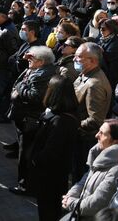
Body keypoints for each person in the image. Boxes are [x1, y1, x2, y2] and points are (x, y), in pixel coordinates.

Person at [27, 75, 80, 221]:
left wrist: (35, 160)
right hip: (56, 173)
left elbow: (50, 152)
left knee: (48, 209)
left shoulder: (61, 121)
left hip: (50, 175)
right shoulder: (63, 114)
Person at [62, 120, 118, 221]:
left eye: (102, 133)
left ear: (117, 143)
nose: (96, 135)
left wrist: (71, 203)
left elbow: (97, 203)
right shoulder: (99, 155)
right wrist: (70, 195)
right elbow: (83, 181)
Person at [9, 46, 57, 195]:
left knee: (26, 154)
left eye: (32, 59)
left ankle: (25, 185)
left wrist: (20, 86)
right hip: (28, 117)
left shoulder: (40, 75)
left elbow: (34, 97)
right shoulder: (41, 69)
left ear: (41, 62)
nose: (29, 61)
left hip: (29, 119)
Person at [73, 42, 113, 182]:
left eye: (79, 57)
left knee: (80, 175)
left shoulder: (95, 84)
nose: (74, 59)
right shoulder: (86, 74)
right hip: (79, 136)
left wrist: (72, 125)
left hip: (84, 139)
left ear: (93, 61)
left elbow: (95, 119)